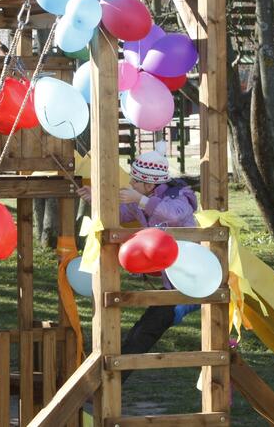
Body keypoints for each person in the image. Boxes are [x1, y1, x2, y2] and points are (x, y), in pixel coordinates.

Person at [77, 142, 198, 382]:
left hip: (195, 281)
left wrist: (139, 200)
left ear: (151, 184)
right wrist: (95, 201)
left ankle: (111, 380)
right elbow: (120, 215)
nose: (131, 185)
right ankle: (111, 379)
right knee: (143, 330)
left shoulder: (179, 196)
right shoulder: (140, 199)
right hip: (173, 284)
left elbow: (174, 213)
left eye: (135, 181)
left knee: (146, 329)